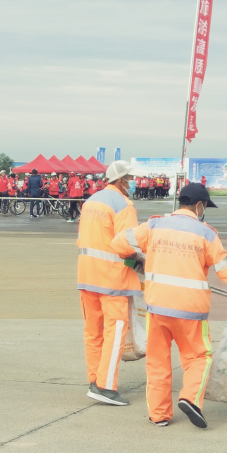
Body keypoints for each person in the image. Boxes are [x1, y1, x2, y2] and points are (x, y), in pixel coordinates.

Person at [112, 183, 227, 428]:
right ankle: (190, 398)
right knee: (199, 356)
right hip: (191, 311)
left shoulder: (155, 225)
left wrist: (139, 258)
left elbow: (118, 244)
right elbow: (226, 269)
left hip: (157, 309)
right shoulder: (206, 233)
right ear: (199, 206)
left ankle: (158, 415)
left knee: (157, 361)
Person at [76, 161, 143, 407]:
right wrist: (142, 260)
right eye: (130, 178)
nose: (133, 182)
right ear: (121, 180)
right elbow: (128, 243)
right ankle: (104, 386)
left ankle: (94, 380)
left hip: (86, 275)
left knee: (92, 332)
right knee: (114, 333)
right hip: (111, 278)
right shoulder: (123, 204)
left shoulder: (91, 200)